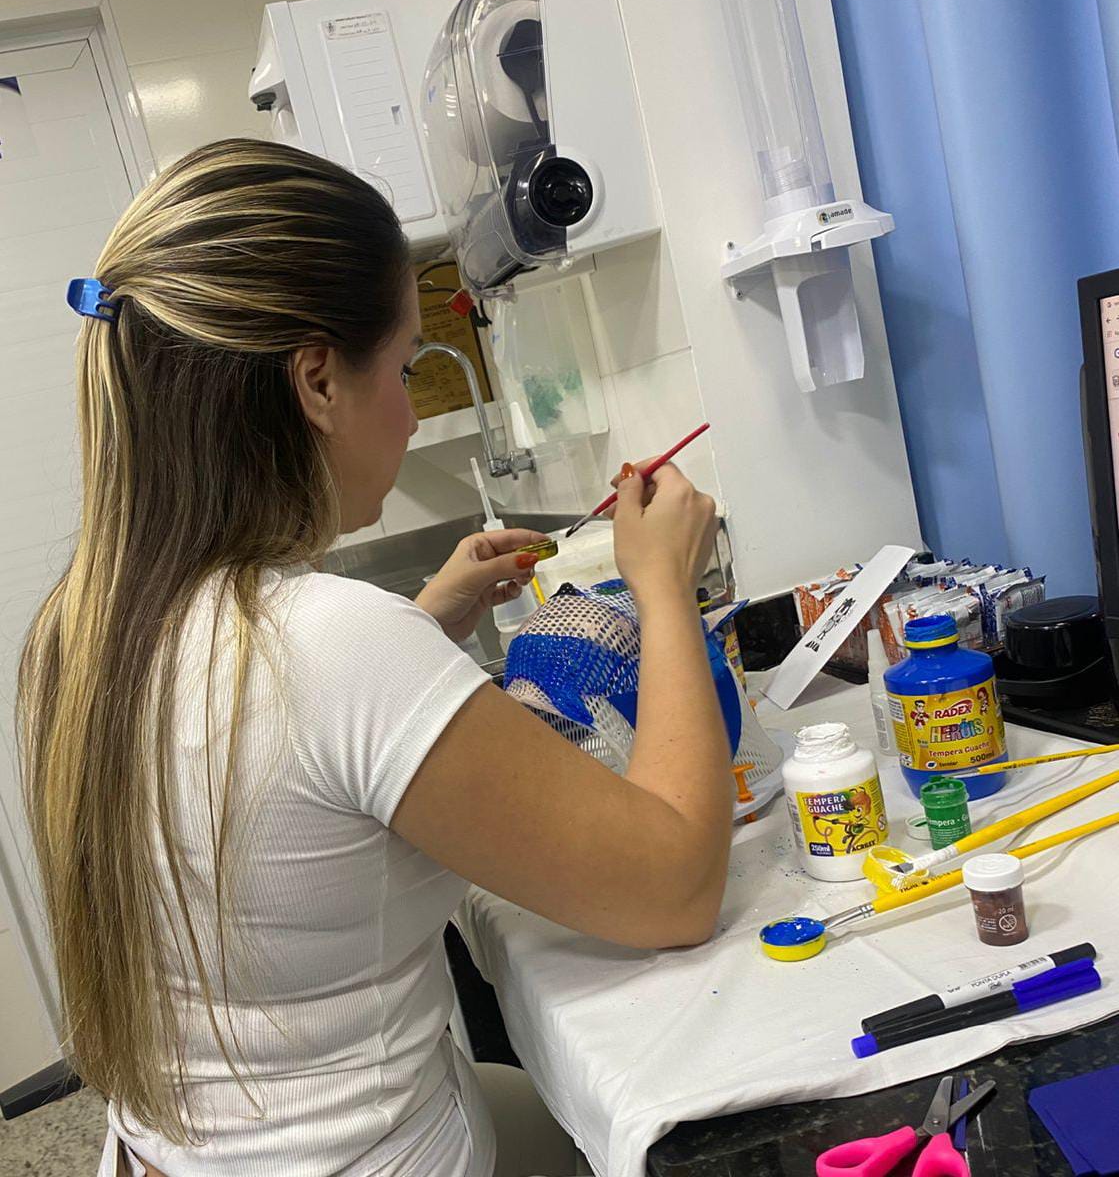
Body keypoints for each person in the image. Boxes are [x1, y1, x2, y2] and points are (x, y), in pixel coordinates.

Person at [17, 139, 731, 1177]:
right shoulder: (333, 645)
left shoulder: (79, 633)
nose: (406, 405)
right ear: (317, 380)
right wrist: (662, 587)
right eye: (402, 368)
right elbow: (675, 889)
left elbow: (268, 763)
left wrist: (426, 617)